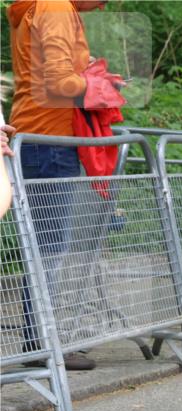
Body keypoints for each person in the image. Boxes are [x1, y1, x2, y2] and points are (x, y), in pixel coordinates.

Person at [7, 0, 116, 371]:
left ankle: (39, 341)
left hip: (41, 137)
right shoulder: (55, 8)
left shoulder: (46, 7)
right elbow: (58, 83)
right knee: (49, 248)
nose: (102, 5)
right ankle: (41, 344)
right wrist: (101, 86)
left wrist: (89, 76)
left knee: (44, 246)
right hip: (49, 140)